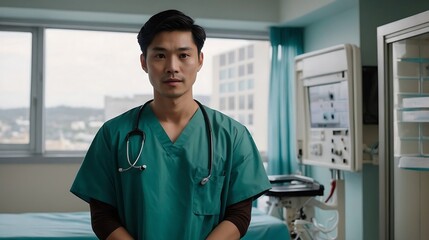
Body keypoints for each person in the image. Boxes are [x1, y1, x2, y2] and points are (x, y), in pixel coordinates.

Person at [70, 9, 271, 240]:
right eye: (160, 55)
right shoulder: (113, 134)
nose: (172, 67)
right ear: (144, 62)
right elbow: (102, 215)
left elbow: (239, 215)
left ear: (199, 60)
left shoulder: (232, 135)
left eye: (184, 55)